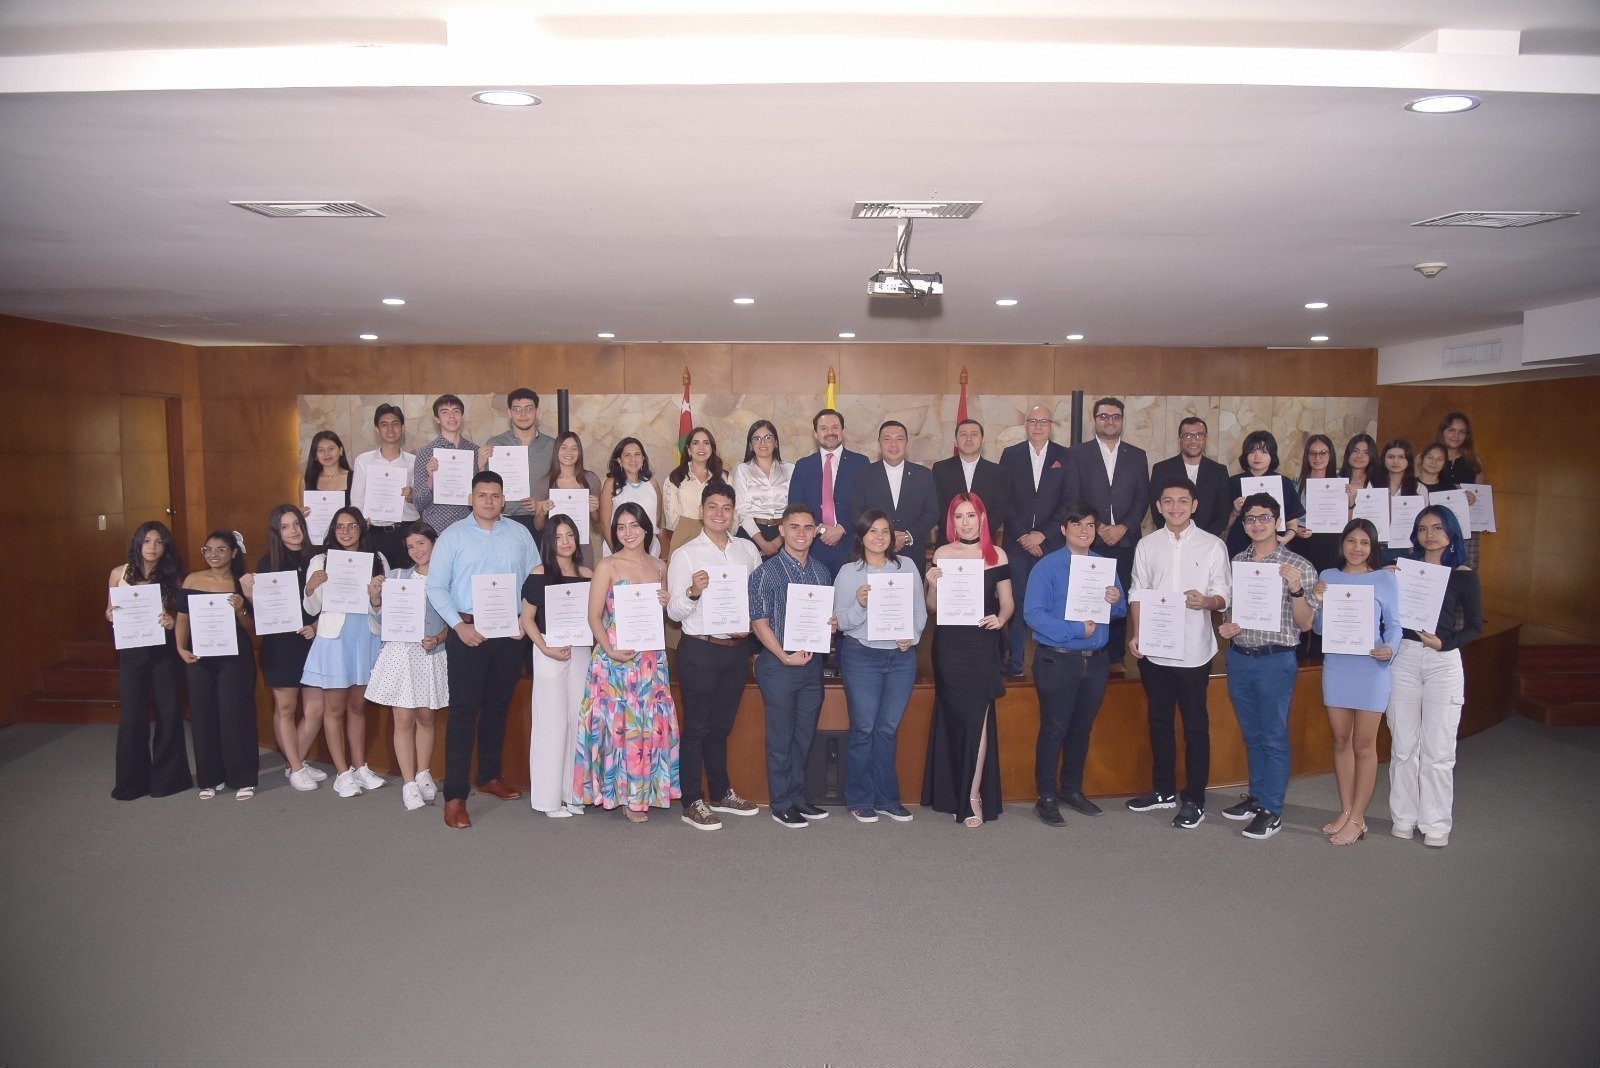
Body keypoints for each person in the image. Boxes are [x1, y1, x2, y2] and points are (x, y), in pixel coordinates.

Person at [427, 471, 541, 828]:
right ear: (470, 499)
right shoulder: (453, 536)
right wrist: (458, 626)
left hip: (509, 635)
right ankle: (455, 796)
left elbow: (535, 576)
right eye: (482, 495)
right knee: (463, 713)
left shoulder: (519, 534)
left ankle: (490, 776)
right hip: (468, 633)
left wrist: (524, 620)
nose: (489, 501)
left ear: (503, 499)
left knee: (497, 709)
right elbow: (436, 587)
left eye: (495, 495)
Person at [1126, 476, 1230, 829]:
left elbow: (1223, 595)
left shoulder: (1212, 545)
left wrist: (1207, 602)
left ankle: (1195, 798)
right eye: (1168, 501)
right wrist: (1138, 633)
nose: (1175, 507)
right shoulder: (1147, 545)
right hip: (1155, 651)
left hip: (1193, 651)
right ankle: (1163, 790)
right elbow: (1137, 591)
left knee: (1195, 726)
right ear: (1158, 506)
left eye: (1182, 501)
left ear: (1194, 505)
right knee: (1159, 722)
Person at [1216, 493, 1319, 841]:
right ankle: (1257, 797)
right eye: (1250, 519)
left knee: (1273, 736)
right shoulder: (1238, 561)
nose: (1257, 524)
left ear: (1277, 522)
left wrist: (1295, 588)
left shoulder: (1298, 565)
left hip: (1275, 660)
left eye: (1264, 518)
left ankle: (1272, 810)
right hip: (1240, 657)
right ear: (1244, 525)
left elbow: (1306, 624)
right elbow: (1232, 609)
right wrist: (1227, 626)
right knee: (1253, 735)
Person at [574, 502, 680, 823]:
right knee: (619, 728)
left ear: (646, 528)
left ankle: (642, 794)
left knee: (648, 725)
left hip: (650, 660)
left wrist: (666, 602)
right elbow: (594, 616)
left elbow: (663, 614)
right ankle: (621, 795)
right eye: (621, 527)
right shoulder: (607, 566)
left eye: (634, 525)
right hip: (614, 659)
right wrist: (609, 650)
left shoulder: (660, 567)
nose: (628, 533)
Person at [665, 482, 762, 829]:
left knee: (721, 727)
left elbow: (756, 598)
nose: (719, 513)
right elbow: (674, 612)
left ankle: (721, 792)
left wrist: (748, 626)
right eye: (712, 507)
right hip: (700, 650)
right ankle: (692, 799)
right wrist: (693, 591)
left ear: (733, 513)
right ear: (701, 510)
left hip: (736, 650)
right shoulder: (686, 554)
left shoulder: (748, 551)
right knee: (697, 727)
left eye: (726, 507)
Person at [1023, 503, 1125, 826]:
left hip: (1095, 662)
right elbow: (1033, 614)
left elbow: (1120, 611)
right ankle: (1046, 796)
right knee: (1055, 728)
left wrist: (1115, 601)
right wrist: (1075, 630)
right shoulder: (1047, 566)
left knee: (1081, 728)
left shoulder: (1103, 566)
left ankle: (1071, 790)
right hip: (1057, 660)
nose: (1084, 530)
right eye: (1077, 524)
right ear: (1064, 529)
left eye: (1090, 525)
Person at [1387, 505, 1482, 848]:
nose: (1430, 535)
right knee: (1403, 746)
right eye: (1423, 528)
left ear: (1451, 532)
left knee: (1439, 749)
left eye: (1437, 527)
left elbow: (1475, 625)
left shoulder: (1463, 574)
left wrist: (1445, 643)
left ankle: (1436, 823)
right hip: (1404, 658)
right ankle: (1404, 818)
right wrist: (1386, 575)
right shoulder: (1403, 568)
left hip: (1443, 662)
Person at [833, 509, 928, 823]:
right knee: (863, 729)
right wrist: (860, 604)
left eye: (885, 531)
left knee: (887, 730)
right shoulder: (849, 572)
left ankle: (888, 798)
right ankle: (860, 799)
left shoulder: (907, 566)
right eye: (872, 531)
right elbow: (841, 622)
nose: (879, 537)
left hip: (901, 659)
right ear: (861, 536)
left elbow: (919, 611)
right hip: (862, 657)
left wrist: (912, 636)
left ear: (892, 537)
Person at [923, 493, 1012, 826]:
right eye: (958, 516)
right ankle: (950, 793)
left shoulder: (996, 554)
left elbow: (1007, 602)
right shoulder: (942, 554)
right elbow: (933, 608)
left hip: (982, 644)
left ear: (982, 518)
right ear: (952, 522)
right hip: (949, 647)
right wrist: (932, 586)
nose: (965, 522)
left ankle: (973, 794)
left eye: (971, 515)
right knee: (953, 717)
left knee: (978, 718)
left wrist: (1001, 619)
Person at [1312, 518, 1401, 846]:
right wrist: (1319, 601)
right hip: (1337, 666)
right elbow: (1320, 629)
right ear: (1342, 543)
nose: (1357, 548)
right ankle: (1346, 809)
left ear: (1372, 547)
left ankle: (1358, 818)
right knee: (1340, 740)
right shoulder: (1328, 576)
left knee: (1364, 745)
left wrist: (1390, 648)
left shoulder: (1384, 579)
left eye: (1364, 542)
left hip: (1371, 668)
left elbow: (1395, 624)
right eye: (1351, 540)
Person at [749, 502, 838, 828]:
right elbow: (759, 623)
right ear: (782, 530)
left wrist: (830, 625)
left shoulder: (821, 572)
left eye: (808, 527)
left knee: (804, 736)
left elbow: (823, 616)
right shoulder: (764, 572)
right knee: (781, 738)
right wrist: (785, 656)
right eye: (794, 527)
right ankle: (781, 803)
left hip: (811, 665)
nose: (801, 533)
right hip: (779, 664)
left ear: (815, 532)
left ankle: (797, 796)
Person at [301, 506, 389, 799]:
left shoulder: (378, 560)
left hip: (365, 637)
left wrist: (376, 598)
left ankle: (360, 766)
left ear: (362, 529)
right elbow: (311, 607)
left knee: (358, 707)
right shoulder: (320, 560)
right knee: (334, 709)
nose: (346, 532)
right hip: (335, 640)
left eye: (352, 526)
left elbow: (384, 609)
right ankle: (342, 773)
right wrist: (311, 588)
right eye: (339, 526)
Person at [106, 521, 192, 800]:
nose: (152, 547)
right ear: (138, 543)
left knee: (169, 712)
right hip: (132, 651)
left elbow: (183, 615)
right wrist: (112, 614)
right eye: (147, 541)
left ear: (166, 546)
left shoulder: (175, 575)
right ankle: (131, 783)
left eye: (158, 542)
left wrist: (172, 620)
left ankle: (168, 781)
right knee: (132, 716)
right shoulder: (119, 573)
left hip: (164, 651)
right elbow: (108, 610)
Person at [367, 522, 450, 812]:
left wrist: (437, 638)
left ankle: (423, 772)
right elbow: (381, 621)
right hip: (401, 655)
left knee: (426, 718)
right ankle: (408, 783)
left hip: (430, 654)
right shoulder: (397, 577)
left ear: (434, 542)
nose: (416, 550)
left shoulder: (447, 578)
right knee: (403, 719)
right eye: (411, 546)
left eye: (421, 543)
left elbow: (454, 622)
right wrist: (376, 598)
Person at [244, 504, 326, 791]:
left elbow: (333, 599)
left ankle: (295, 764)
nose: (293, 531)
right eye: (285, 527)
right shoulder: (268, 563)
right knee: (287, 708)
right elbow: (264, 611)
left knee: (316, 709)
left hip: (313, 640)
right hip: (281, 644)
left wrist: (316, 625)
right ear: (276, 532)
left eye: (296, 524)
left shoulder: (319, 557)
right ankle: (296, 766)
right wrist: (250, 595)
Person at [1063, 397, 1149, 664]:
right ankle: (1088, 648)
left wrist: (1123, 527)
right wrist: (1098, 527)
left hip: (1125, 541)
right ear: (1095, 419)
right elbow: (1073, 495)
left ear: (1122, 420)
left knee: (1119, 597)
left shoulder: (1137, 455)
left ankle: (1115, 657)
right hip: (1089, 541)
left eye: (1115, 416)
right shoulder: (1077, 454)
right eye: (1104, 416)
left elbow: (1142, 498)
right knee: (1089, 597)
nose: (1110, 421)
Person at [174, 530, 258, 800]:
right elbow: (182, 618)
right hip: (200, 657)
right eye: (208, 549)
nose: (214, 554)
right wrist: (180, 647)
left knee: (236, 715)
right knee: (203, 715)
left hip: (235, 657)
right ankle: (210, 778)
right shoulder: (192, 579)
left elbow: (253, 629)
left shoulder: (243, 583)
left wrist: (240, 609)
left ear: (233, 553)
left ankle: (243, 777)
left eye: (221, 549)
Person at [520, 514, 593, 819]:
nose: (565, 542)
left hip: (581, 650)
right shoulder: (539, 573)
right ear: (549, 541)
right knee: (551, 723)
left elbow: (597, 616)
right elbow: (527, 619)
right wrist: (545, 648)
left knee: (577, 721)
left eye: (570, 535)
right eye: (558, 536)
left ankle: (572, 794)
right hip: (548, 649)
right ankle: (548, 800)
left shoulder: (588, 575)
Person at [998, 405, 1070, 677]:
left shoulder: (1066, 456)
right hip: (1017, 544)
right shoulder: (1011, 455)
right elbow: (1004, 499)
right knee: (1017, 602)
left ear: (1052, 425)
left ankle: (1049, 662)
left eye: (1044, 422)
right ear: (1025, 425)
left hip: (1052, 544)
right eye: (1033, 421)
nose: (1038, 426)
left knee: (1050, 603)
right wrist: (1023, 536)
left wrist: (1043, 534)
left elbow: (1069, 500)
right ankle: (1015, 663)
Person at [846, 419, 940, 577]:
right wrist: (881, 536)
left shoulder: (924, 475)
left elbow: (932, 512)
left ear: (907, 443)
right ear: (879, 444)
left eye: (899, 439)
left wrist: (908, 536)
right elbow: (857, 512)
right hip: (873, 553)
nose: (893, 444)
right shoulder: (864, 475)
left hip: (912, 552)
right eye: (887, 439)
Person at [787, 408, 869, 577]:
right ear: (815, 434)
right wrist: (821, 529)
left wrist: (842, 528)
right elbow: (796, 507)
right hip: (813, 547)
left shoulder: (860, 463)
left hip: (851, 546)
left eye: (835, 427)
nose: (830, 432)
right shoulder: (803, 466)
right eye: (824, 428)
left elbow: (865, 504)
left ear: (843, 431)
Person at [480, 387, 555, 540]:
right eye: (517, 409)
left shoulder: (552, 445)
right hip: (503, 519)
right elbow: (486, 484)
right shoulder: (495, 444)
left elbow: (560, 482)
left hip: (540, 520)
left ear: (537, 411)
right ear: (509, 413)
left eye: (528, 409)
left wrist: (540, 504)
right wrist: (481, 465)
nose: (523, 414)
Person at [350, 403, 418, 569]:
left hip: (405, 532)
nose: (390, 429)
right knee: (376, 578)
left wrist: (412, 496)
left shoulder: (414, 462)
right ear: (377, 429)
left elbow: (421, 500)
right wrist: (361, 522)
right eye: (384, 424)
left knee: (405, 579)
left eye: (395, 424)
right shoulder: (363, 461)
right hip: (374, 533)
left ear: (402, 428)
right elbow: (357, 500)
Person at [1224, 429, 1305, 559]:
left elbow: (1292, 522)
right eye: (1252, 452)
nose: (1257, 457)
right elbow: (1224, 526)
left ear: (1272, 455)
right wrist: (1235, 511)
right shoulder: (1233, 482)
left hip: (1275, 547)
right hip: (1239, 546)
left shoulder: (1284, 483)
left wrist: (1285, 539)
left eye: (1264, 452)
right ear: (1245, 455)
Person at [931, 418, 1009, 547]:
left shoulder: (997, 472)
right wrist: (955, 533)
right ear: (955, 441)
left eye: (974, 434)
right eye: (963, 435)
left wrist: (978, 534)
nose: (968, 439)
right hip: (949, 542)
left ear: (982, 441)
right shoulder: (940, 469)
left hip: (984, 543)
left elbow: (1000, 509)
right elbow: (937, 506)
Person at [1149, 416, 1230, 538]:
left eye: (1199, 435)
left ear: (1205, 438)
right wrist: (1175, 536)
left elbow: (1222, 513)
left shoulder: (1219, 471)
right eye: (1187, 436)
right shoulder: (1161, 469)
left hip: (1207, 541)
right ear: (1180, 439)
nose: (1193, 441)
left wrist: (1203, 539)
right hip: (1171, 539)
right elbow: (1157, 510)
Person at [532, 430, 602, 566]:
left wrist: (594, 510)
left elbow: (596, 520)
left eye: (574, 448)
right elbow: (538, 526)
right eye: (564, 448)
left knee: (584, 579)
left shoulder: (591, 479)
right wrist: (543, 512)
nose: (569, 452)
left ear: (579, 453)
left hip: (582, 545)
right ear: (556, 451)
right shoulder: (544, 482)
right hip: (554, 547)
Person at [413, 394, 481, 533]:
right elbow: (419, 503)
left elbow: (483, 493)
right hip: (437, 528)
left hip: (470, 527)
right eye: (445, 412)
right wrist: (431, 479)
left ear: (462, 416)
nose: (451, 417)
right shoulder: (426, 453)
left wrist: (482, 467)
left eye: (456, 411)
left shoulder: (475, 451)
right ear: (437, 418)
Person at [732, 419, 792, 558]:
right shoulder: (742, 470)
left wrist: (779, 541)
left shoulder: (790, 469)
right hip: (751, 533)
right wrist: (763, 543)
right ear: (750, 445)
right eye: (757, 439)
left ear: (776, 442)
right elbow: (742, 510)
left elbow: (794, 508)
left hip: (784, 534)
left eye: (768, 438)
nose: (762, 443)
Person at [663, 425, 726, 556]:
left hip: (717, 536)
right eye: (696, 443)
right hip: (684, 537)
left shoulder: (724, 478)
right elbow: (671, 520)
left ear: (711, 449)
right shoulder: (675, 478)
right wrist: (688, 528)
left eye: (706, 443)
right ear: (689, 450)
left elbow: (732, 513)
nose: (701, 447)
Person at [599, 437, 663, 558]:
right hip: (619, 548)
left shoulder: (652, 484)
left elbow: (657, 519)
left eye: (637, 454)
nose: (633, 459)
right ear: (619, 460)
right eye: (627, 455)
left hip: (650, 549)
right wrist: (617, 553)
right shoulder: (611, 484)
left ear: (643, 459)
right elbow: (604, 523)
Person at [1437, 411, 1486, 570]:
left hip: (1467, 527)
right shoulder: (1428, 458)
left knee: (1466, 567)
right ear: (1443, 431)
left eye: (1462, 432)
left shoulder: (1474, 460)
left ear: (1467, 435)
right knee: (1437, 565)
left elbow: (1480, 495)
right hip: (1437, 523)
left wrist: (1476, 501)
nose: (1456, 435)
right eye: (1451, 430)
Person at [1292, 433, 1344, 577]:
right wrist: (1296, 530)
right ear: (1307, 456)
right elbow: (1288, 518)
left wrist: (1351, 501)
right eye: (1313, 453)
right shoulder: (1295, 485)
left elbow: (1348, 521)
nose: (1317, 458)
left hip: (1331, 545)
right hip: (1302, 544)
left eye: (1323, 453)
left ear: (1330, 455)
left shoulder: (1341, 485)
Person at [1379, 438, 1426, 564]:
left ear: (1408, 460)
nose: (1395, 461)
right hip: (1376, 547)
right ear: (1383, 459)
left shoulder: (1419, 488)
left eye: (1401, 457)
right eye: (1391, 457)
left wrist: (1416, 543)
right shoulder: (1373, 486)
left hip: (1407, 548)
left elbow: (1423, 521)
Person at [302, 429, 352, 540]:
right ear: (315, 455)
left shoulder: (354, 478)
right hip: (317, 540)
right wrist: (300, 513)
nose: (326, 454)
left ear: (341, 450)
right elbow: (303, 510)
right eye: (321, 450)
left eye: (331, 449)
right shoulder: (306, 481)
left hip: (348, 539)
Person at [1339, 433, 1378, 497]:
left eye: (1366, 453)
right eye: (1355, 451)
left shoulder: (1378, 482)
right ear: (1348, 452)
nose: (1359, 456)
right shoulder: (1335, 477)